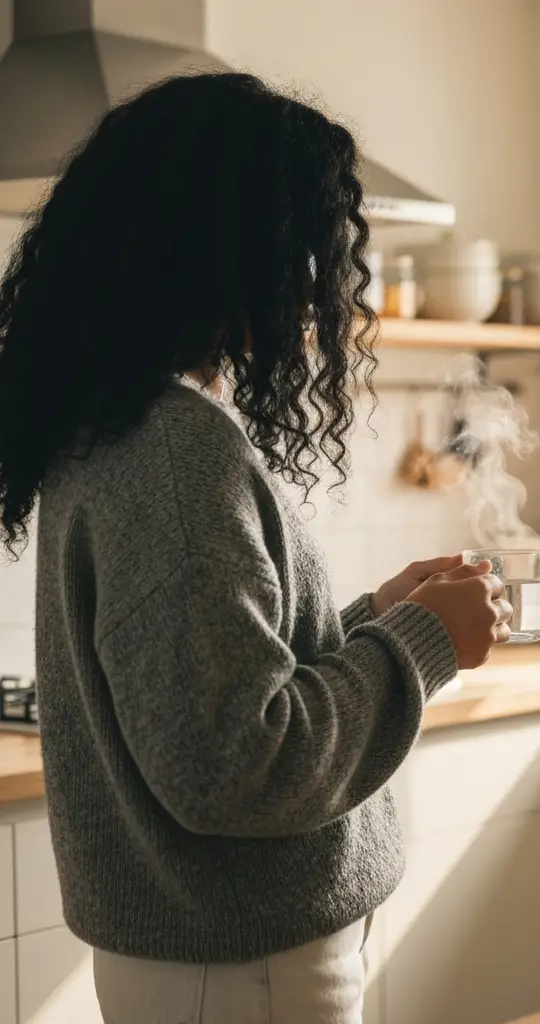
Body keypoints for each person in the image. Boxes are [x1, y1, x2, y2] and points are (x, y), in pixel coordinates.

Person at [0, 72, 512, 1024]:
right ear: (240, 253)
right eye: (314, 248)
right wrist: (423, 644)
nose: (325, 282)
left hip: (218, 964)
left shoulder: (122, 422)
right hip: (245, 973)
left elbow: (229, 680)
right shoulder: (173, 450)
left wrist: (375, 617)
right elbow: (239, 767)